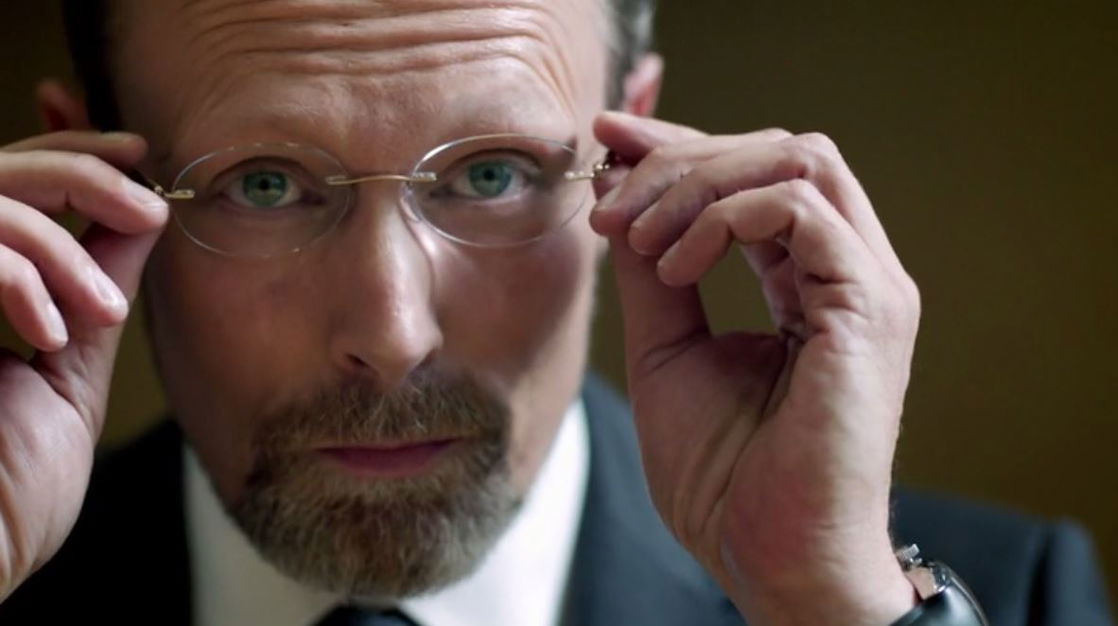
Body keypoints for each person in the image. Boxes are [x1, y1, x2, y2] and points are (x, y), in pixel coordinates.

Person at [0, 0, 1111, 624]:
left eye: (491, 175)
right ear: (81, 178)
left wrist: (827, 605)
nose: (393, 335)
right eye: (262, 184)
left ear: (632, 143)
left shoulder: (1003, 598)